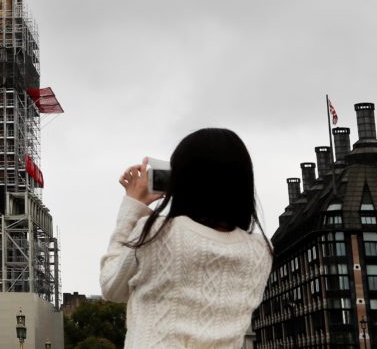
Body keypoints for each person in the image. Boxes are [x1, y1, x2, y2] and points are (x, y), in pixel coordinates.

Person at [100, 128, 272, 348]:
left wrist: (133, 206)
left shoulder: (158, 232)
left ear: (181, 181)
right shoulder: (261, 251)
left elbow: (111, 286)